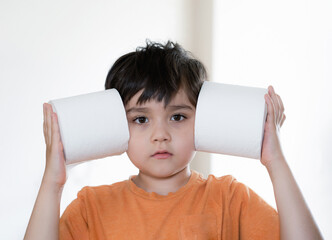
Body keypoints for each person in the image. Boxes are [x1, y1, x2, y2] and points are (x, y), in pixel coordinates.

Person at [24, 40, 323, 240]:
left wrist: (276, 161)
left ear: (203, 119)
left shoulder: (230, 200)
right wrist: (52, 184)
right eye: (140, 119)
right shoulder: (91, 208)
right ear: (115, 124)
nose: (161, 135)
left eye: (178, 117)